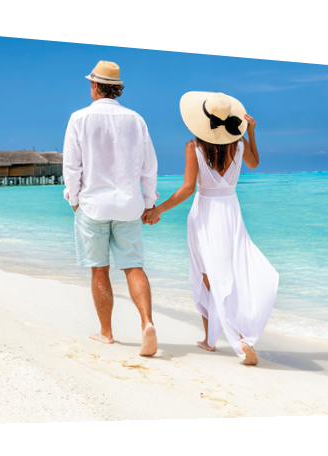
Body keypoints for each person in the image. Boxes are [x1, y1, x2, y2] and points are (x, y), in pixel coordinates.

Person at [142, 92, 279, 365]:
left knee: (207, 275)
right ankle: (231, 336)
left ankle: (225, 338)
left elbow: (187, 189)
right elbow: (254, 163)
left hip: (204, 214)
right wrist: (251, 133)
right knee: (233, 271)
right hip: (231, 212)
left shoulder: (193, 146)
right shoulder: (239, 144)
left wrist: (158, 209)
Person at [63, 60, 160, 357]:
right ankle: (147, 323)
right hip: (129, 205)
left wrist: (74, 198)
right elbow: (149, 166)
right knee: (133, 266)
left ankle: (106, 332)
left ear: (94, 86)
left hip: (93, 205)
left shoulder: (79, 118)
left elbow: (72, 165)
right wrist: (149, 202)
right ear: (116, 89)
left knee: (99, 269)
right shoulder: (136, 119)